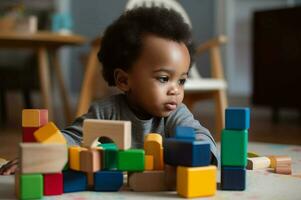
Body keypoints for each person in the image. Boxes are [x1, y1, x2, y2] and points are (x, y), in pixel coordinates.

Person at [0, 6, 219, 175]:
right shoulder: (106, 112)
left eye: (181, 81)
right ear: (123, 80)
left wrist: (200, 154)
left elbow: (201, 136)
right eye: (163, 78)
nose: (175, 90)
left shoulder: (175, 114)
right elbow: (73, 137)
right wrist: (40, 155)